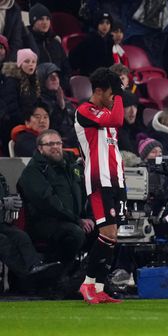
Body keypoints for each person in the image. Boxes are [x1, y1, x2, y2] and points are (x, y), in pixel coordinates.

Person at [75, 67, 126, 304]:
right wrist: (121, 95)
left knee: (113, 236)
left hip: (115, 179)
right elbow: (118, 119)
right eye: (111, 94)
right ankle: (87, 284)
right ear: (98, 91)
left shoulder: (106, 112)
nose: (114, 99)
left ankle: (99, 287)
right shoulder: (84, 111)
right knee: (107, 233)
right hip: (98, 179)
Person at [17, 129, 91, 273]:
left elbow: (86, 194)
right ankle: (60, 275)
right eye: (50, 144)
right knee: (74, 234)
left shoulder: (71, 166)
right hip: (45, 223)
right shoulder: (32, 172)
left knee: (102, 231)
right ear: (40, 148)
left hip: (73, 219)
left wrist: (90, 218)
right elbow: (49, 204)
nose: (56, 147)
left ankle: (90, 276)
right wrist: (77, 220)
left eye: (58, 143)